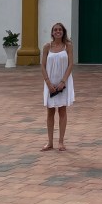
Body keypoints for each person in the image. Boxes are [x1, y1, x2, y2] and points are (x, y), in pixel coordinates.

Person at [40, 22, 75, 151]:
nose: (58, 31)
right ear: (52, 32)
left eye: (60, 29)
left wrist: (63, 81)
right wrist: (48, 83)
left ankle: (61, 141)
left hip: (63, 82)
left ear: (63, 32)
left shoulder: (68, 46)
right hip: (50, 83)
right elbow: (42, 65)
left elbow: (70, 64)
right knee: (50, 111)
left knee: (62, 110)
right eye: (55, 30)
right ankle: (50, 142)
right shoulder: (47, 47)